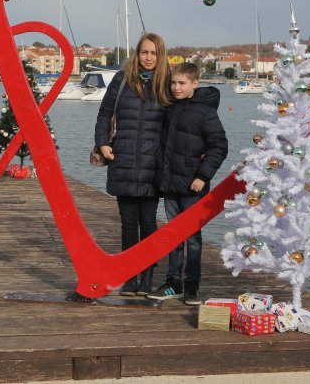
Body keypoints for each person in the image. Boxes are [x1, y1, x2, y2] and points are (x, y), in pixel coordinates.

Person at [95, 33, 171, 296]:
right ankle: (130, 276)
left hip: (153, 164)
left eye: (153, 53)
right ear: (137, 54)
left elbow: (185, 118)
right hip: (123, 159)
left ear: (160, 56)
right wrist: (103, 142)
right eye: (144, 52)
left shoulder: (168, 83)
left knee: (149, 223)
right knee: (128, 223)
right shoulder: (123, 79)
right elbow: (105, 113)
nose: (148, 58)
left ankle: (147, 275)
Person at [148, 62, 228, 305]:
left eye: (181, 83)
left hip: (193, 186)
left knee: (193, 238)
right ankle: (174, 283)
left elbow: (219, 146)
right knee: (173, 234)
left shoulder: (205, 112)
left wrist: (202, 176)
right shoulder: (169, 108)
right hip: (170, 183)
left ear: (195, 83)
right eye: (173, 82)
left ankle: (192, 284)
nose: (176, 87)